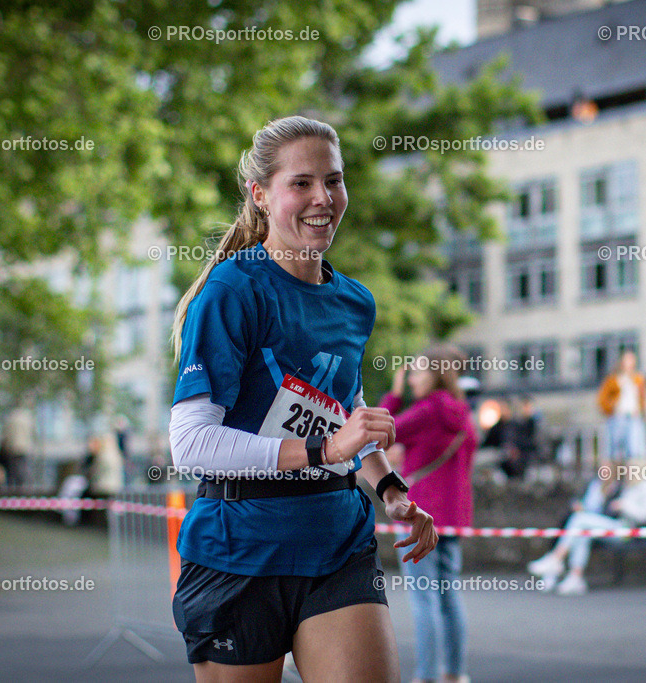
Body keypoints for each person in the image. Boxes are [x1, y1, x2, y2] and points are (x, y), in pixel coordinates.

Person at [167, 116, 437, 682]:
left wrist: (389, 487)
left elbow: (344, 407)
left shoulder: (355, 301)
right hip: (237, 551)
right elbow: (190, 445)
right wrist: (322, 450)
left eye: (334, 181)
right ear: (260, 195)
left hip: (336, 542)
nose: (323, 198)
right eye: (302, 183)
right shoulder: (232, 291)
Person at [381, 347, 477, 683]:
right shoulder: (463, 413)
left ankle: (426, 676)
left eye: (419, 371)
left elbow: (376, 431)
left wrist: (393, 396)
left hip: (419, 514)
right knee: (449, 596)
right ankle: (454, 674)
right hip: (454, 517)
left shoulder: (426, 411)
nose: (411, 379)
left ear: (436, 374)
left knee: (423, 599)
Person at [528, 461, 646, 595]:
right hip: (618, 526)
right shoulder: (632, 485)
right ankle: (575, 576)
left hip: (628, 531)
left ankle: (556, 559)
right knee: (582, 530)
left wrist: (623, 505)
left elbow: (644, 516)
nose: (628, 472)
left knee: (580, 519)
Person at [597, 351, 646, 462]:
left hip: (633, 416)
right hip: (617, 417)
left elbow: (643, 398)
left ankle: (633, 472)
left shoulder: (638, 379)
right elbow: (602, 400)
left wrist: (641, 410)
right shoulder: (613, 380)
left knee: (635, 448)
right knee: (616, 450)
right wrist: (612, 407)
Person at [0, 404, 34, 488]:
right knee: (23, 467)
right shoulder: (27, 418)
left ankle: (13, 487)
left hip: (13, 446)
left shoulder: (10, 419)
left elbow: (6, 434)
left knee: (13, 468)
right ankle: (23, 485)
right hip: (25, 446)